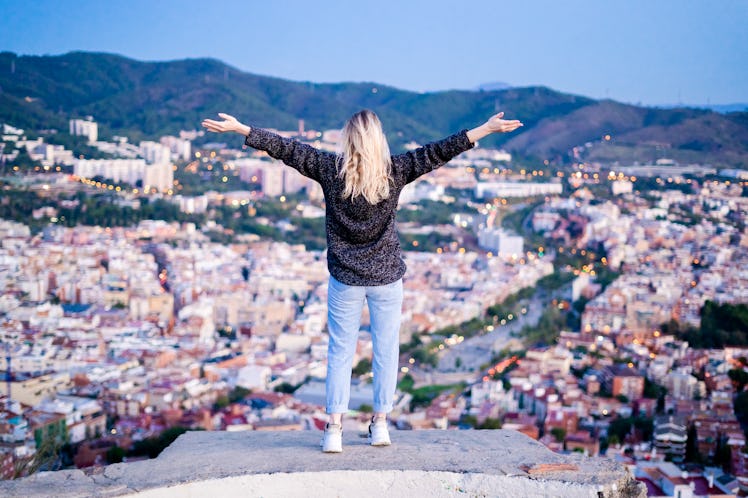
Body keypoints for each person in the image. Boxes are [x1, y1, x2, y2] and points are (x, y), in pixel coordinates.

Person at [202, 109, 523, 452]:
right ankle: (381, 425)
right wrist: (485, 129)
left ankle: (334, 431)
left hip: (345, 280)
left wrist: (243, 129)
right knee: (386, 351)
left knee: (340, 352)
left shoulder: (329, 170)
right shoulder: (395, 171)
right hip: (386, 279)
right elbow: (439, 151)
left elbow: (287, 148)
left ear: (348, 139)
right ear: (378, 140)